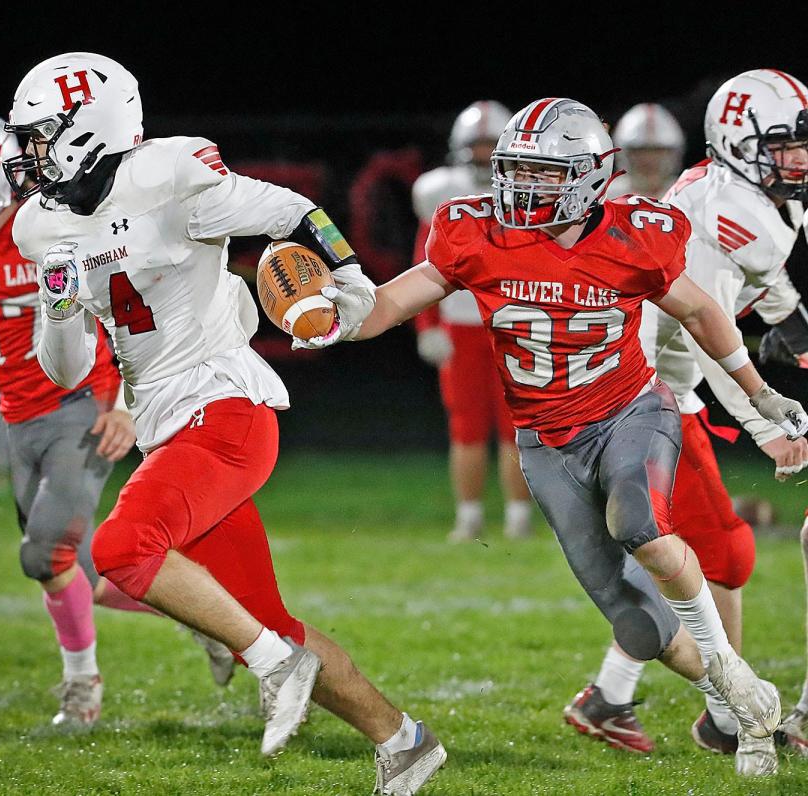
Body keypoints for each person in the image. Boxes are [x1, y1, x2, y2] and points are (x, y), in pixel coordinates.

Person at [296, 97, 808, 778]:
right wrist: (336, 317)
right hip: (544, 440)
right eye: (516, 171)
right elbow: (392, 302)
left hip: (631, 410)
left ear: (592, 176)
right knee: (639, 627)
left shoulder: (637, 233)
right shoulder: (473, 232)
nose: (520, 187)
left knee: (642, 526)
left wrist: (760, 391)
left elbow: (699, 308)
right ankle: (735, 694)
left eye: (542, 173)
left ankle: (736, 681)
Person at [5, 52, 445, 794]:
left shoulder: (169, 176)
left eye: (41, 134)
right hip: (168, 425)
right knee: (265, 620)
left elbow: (292, 212)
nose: (29, 154)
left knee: (121, 547)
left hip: (225, 407)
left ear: (88, 128)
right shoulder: (39, 227)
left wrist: (353, 280)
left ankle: (278, 664)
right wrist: (56, 304)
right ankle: (403, 742)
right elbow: (68, 368)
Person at [0, 108, 233, 730]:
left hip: (86, 407)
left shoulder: (53, 223)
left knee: (44, 556)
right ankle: (213, 620)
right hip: (19, 419)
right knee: (88, 577)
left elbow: (139, 307)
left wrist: (126, 406)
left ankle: (81, 688)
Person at [564, 70, 808, 773]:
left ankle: (644, 700)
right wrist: (767, 426)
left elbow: (769, 291)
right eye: (784, 146)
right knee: (699, 555)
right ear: (738, 142)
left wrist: (793, 331)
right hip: (634, 391)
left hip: (658, 388)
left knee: (709, 552)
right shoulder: (727, 206)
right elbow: (706, 334)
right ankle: (712, 713)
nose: (796, 160)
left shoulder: (747, 195)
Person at [411, 100, 534, 541]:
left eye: (490, 145)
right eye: (476, 145)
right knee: (466, 425)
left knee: (517, 425)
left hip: (516, 322)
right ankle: (469, 515)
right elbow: (424, 263)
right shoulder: (441, 190)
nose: (483, 155)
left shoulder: (533, 188)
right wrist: (427, 326)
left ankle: (519, 516)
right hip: (461, 324)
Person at [607, 103, 685, 200]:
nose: (649, 160)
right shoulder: (605, 197)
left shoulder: (687, 194)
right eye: (640, 151)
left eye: (657, 151)